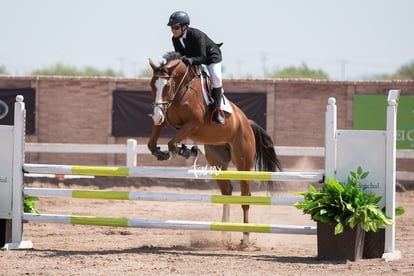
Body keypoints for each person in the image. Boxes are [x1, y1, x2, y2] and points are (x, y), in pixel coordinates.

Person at [167, 11, 225, 125]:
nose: (173, 30)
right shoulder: (174, 39)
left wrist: (191, 60)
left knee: (216, 78)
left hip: (211, 57)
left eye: (176, 27)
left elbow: (202, 57)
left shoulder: (195, 35)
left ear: (185, 27)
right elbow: (180, 56)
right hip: (194, 58)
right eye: (172, 28)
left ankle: (217, 111)